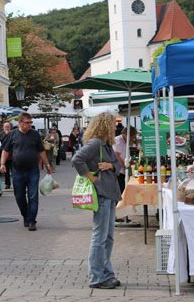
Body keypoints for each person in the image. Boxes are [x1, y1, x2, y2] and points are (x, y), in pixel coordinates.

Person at [71, 112, 122, 289]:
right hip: (101, 193)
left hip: (110, 194)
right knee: (100, 237)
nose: (116, 127)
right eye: (113, 124)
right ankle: (96, 277)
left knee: (108, 237)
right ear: (106, 126)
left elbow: (118, 166)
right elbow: (77, 159)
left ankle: (107, 273)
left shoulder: (106, 145)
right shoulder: (96, 143)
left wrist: (111, 165)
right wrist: (90, 177)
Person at [0, 112, 53, 231]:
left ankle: (32, 220)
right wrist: (2, 163)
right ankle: (26, 216)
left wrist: (47, 164)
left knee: (33, 196)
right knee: (19, 196)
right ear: (20, 123)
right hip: (17, 171)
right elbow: (6, 150)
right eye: (27, 122)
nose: (30, 125)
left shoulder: (35, 135)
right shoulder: (12, 134)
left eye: (31, 122)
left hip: (33, 170)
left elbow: (41, 150)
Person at [0, 122, 13, 189]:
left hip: (13, 155)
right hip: (5, 156)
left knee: (14, 171)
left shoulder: (13, 133)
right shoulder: (1, 134)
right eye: (6, 126)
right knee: (6, 171)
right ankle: (7, 184)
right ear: (3, 127)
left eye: (8, 126)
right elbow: (0, 142)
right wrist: (6, 135)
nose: (7, 128)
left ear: (10, 127)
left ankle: (16, 183)